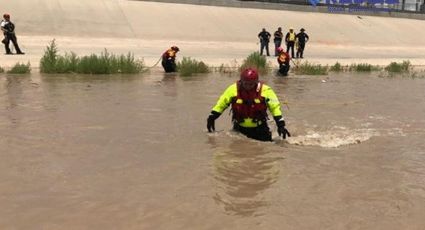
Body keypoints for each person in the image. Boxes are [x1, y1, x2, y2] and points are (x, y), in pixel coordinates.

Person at [207, 68, 290, 142]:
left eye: (251, 84)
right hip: (239, 129)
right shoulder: (233, 89)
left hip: (260, 129)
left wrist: (281, 125)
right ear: (241, 81)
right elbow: (221, 104)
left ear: (256, 82)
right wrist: (212, 117)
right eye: (245, 83)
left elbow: (275, 108)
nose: (248, 86)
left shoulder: (266, 90)